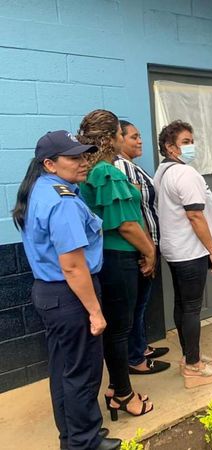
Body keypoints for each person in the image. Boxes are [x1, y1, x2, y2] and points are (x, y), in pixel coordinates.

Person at [13, 131, 121, 449]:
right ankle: (85, 441)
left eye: (84, 155)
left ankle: (72, 437)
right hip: (71, 296)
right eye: (73, 157)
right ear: (50, 164)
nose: (83, 162)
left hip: (50, 294)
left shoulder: (41, 190)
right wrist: (95, 311)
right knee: (83, 373)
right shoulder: (63, 201)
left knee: (64, 370)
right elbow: (73, 266)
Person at [78, 110, 155, 420]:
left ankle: (116, 387)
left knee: (119, 329)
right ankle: (123, 395)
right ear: (110, 139)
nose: (126, 139)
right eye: (122, 134)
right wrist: (149, 251)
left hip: (114, 258)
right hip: (118, 258)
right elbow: (124, 224)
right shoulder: (106, 173)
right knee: (120, 331)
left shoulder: (96, 170)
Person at [154, 120, 212, 388]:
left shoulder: (164, 172)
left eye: (192, 140)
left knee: (182, 305)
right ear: (170, 148)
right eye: (185, 142)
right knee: (192, 308)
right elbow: (195, 215)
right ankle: (194, 366)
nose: (191, 146)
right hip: (189, 251)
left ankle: (189, 356)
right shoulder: (185, 174)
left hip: (174, 249)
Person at [114, 120, 170, 375]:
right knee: (135, 305)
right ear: (118, 139)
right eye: (134, 137)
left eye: (140, 136)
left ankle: (140, 347)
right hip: (137, 247)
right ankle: (135, 358)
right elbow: (130, 215)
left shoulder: (133, 167)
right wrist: (147, 251)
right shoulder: (120, 168)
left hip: (147, 243)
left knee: (141, 303)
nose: (140, 141)